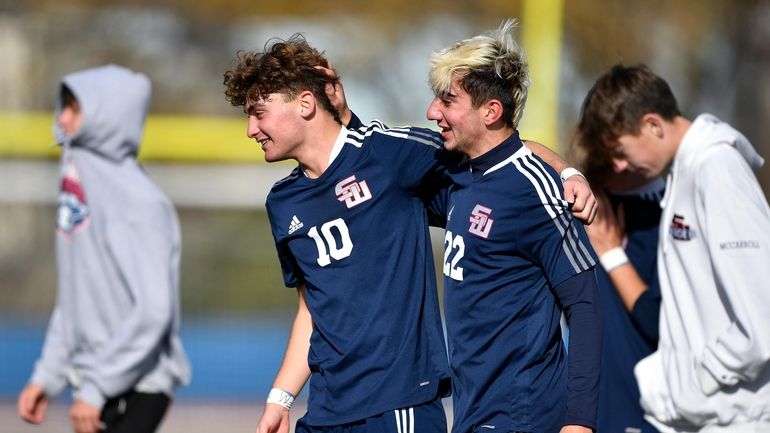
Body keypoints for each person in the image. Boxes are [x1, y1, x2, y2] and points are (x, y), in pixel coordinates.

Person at [222, 34, 596, 433]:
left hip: (403, 408)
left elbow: (498, 149)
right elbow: (310, 309)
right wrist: (280, 398)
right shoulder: (283, 201)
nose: (250, 129)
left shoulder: (390, 156)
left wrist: (567, 171)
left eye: (259, 113)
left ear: (306, 103)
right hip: (328, 410)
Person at [424, 19, 601, 433]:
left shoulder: (533, 191)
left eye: (447, 100)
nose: (433, 112)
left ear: (490, 111)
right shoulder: (459, 176)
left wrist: (580, 423)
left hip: (522, 418)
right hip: (472, 413)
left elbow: (587, 307)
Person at [577, 63, 770, 433]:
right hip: (707, 417)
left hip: (736, 420)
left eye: (620, 150)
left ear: (652, 124)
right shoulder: (689, 171)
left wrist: (697, 382)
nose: (618, 165)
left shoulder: (718, 169)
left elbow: (761, 319)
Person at [17, 64, 191, 433]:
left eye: (75, 108)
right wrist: (47, 375)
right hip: (100, 383)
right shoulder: (80, 190)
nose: (61, 119)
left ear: (108, 116)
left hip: (136, 387)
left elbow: (153, 312)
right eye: (62, 106)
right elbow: (74, 300)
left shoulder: (139, 202)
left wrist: (97, 387)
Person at [569, 132, 664, 433]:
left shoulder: (664, 216)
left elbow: (660, 321)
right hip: (588, 414)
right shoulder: (578, 216)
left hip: (647, 414)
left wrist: (612, 253)